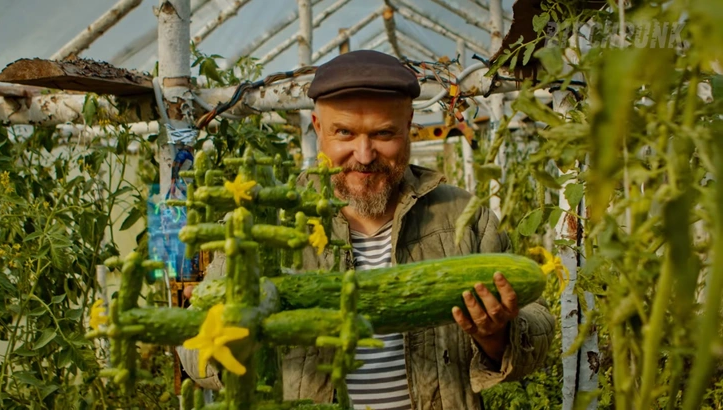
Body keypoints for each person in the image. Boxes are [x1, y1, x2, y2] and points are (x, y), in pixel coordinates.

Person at [178, 50, 555, 410]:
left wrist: (499, 337)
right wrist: (239, 338)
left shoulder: (462, 215)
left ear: (409, 128)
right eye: (344, 133)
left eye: (383, 134)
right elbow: (192, 350)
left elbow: (539, 327)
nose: (363, 154)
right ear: (318, 128)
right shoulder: (264, 225)